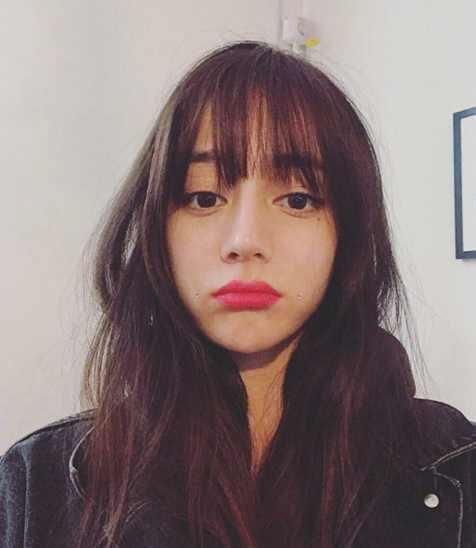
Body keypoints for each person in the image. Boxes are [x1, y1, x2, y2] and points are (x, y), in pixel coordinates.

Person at [1, 40, 475, 548]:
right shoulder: (36, 480)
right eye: (204, 197)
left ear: (350, 234)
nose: (245, 240)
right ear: (157, 226)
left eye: (298, 199)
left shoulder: (458, 466)